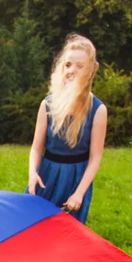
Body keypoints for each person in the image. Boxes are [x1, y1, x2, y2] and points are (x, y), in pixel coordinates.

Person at [28, 34, 107, 223]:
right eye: (68, 64)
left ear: (90, 70)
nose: (72, 71)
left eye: (80, 66)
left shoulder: (98, 110)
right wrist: (33, 173)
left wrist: (79, 193)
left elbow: (95, 158)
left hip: (75, 179)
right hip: (46, 175)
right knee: (34, 229)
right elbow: (37, 147)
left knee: (68, 236)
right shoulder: (47, 104)